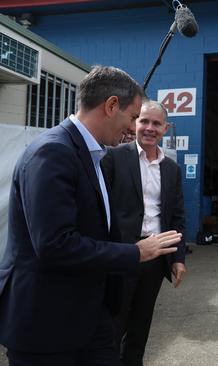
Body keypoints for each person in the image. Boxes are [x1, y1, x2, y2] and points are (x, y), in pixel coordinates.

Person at [0, 66, 182, 365]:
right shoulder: (53, 153)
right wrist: (133, 253)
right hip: (46, 323)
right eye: (134, 117)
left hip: (86, 315)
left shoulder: (92, 154)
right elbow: (55, 244)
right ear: (111, 106)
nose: (134, 127)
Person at [101, 100, 187, 366]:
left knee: (140, 328)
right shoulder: (114, 157)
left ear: (166, 128)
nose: (149, 128)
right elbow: (100, 209)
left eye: (156, 123)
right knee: (112, 328)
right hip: (122, 256)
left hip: (156, 258)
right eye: (144, 121)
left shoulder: (171, 168)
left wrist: (178, 258)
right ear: (135, 123)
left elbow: (177, 217)